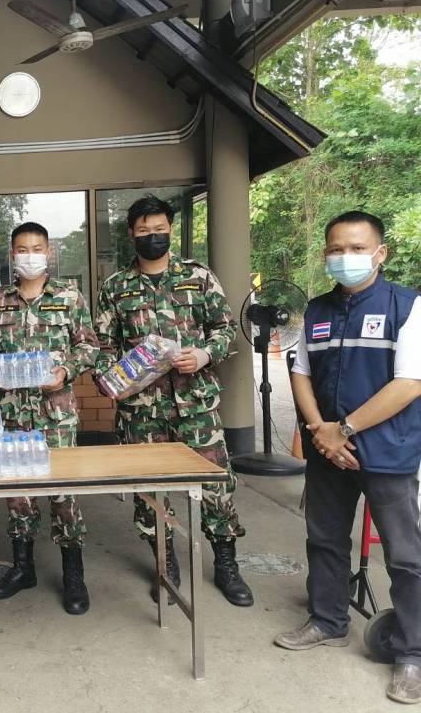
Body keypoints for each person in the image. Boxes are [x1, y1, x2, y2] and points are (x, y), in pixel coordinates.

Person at [275, 211, 421, 705]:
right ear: (325, 254)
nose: (346, 257)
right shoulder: (316, 309)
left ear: (381, 253)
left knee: (405, 555)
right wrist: (321, 430)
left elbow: (409, 383)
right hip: (327, 449)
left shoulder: (407, 306)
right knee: (324, 539)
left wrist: (345, 429)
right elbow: (300, 372)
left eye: (357, 249)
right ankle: (327, 621)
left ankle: (412, 652)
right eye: (337, 249)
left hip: (387, 449)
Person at [93, 195, 252, 607]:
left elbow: (225, 329)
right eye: (144, 230)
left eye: (159, 229)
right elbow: (102, 347)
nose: (152, 236)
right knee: (150, 491)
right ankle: (165, 564)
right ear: (131, 234)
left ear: (170, 230)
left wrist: (204, 355)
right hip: (141, 411)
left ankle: (226, 563)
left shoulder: (197, 276)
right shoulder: (115, 288)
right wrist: (111, 379)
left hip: (195, 405)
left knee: (216, 485)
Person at [0, 221, 101, 615]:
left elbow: (89, 346)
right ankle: (23, 568)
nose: (29, 256)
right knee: (18, 492)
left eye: (36, 249)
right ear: (11, 254)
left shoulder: (69, 296)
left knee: (64, 493)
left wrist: (65, 370)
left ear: (49, 252)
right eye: (21, 249)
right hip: (12, 413)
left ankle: (73, 575)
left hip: (56, 413)